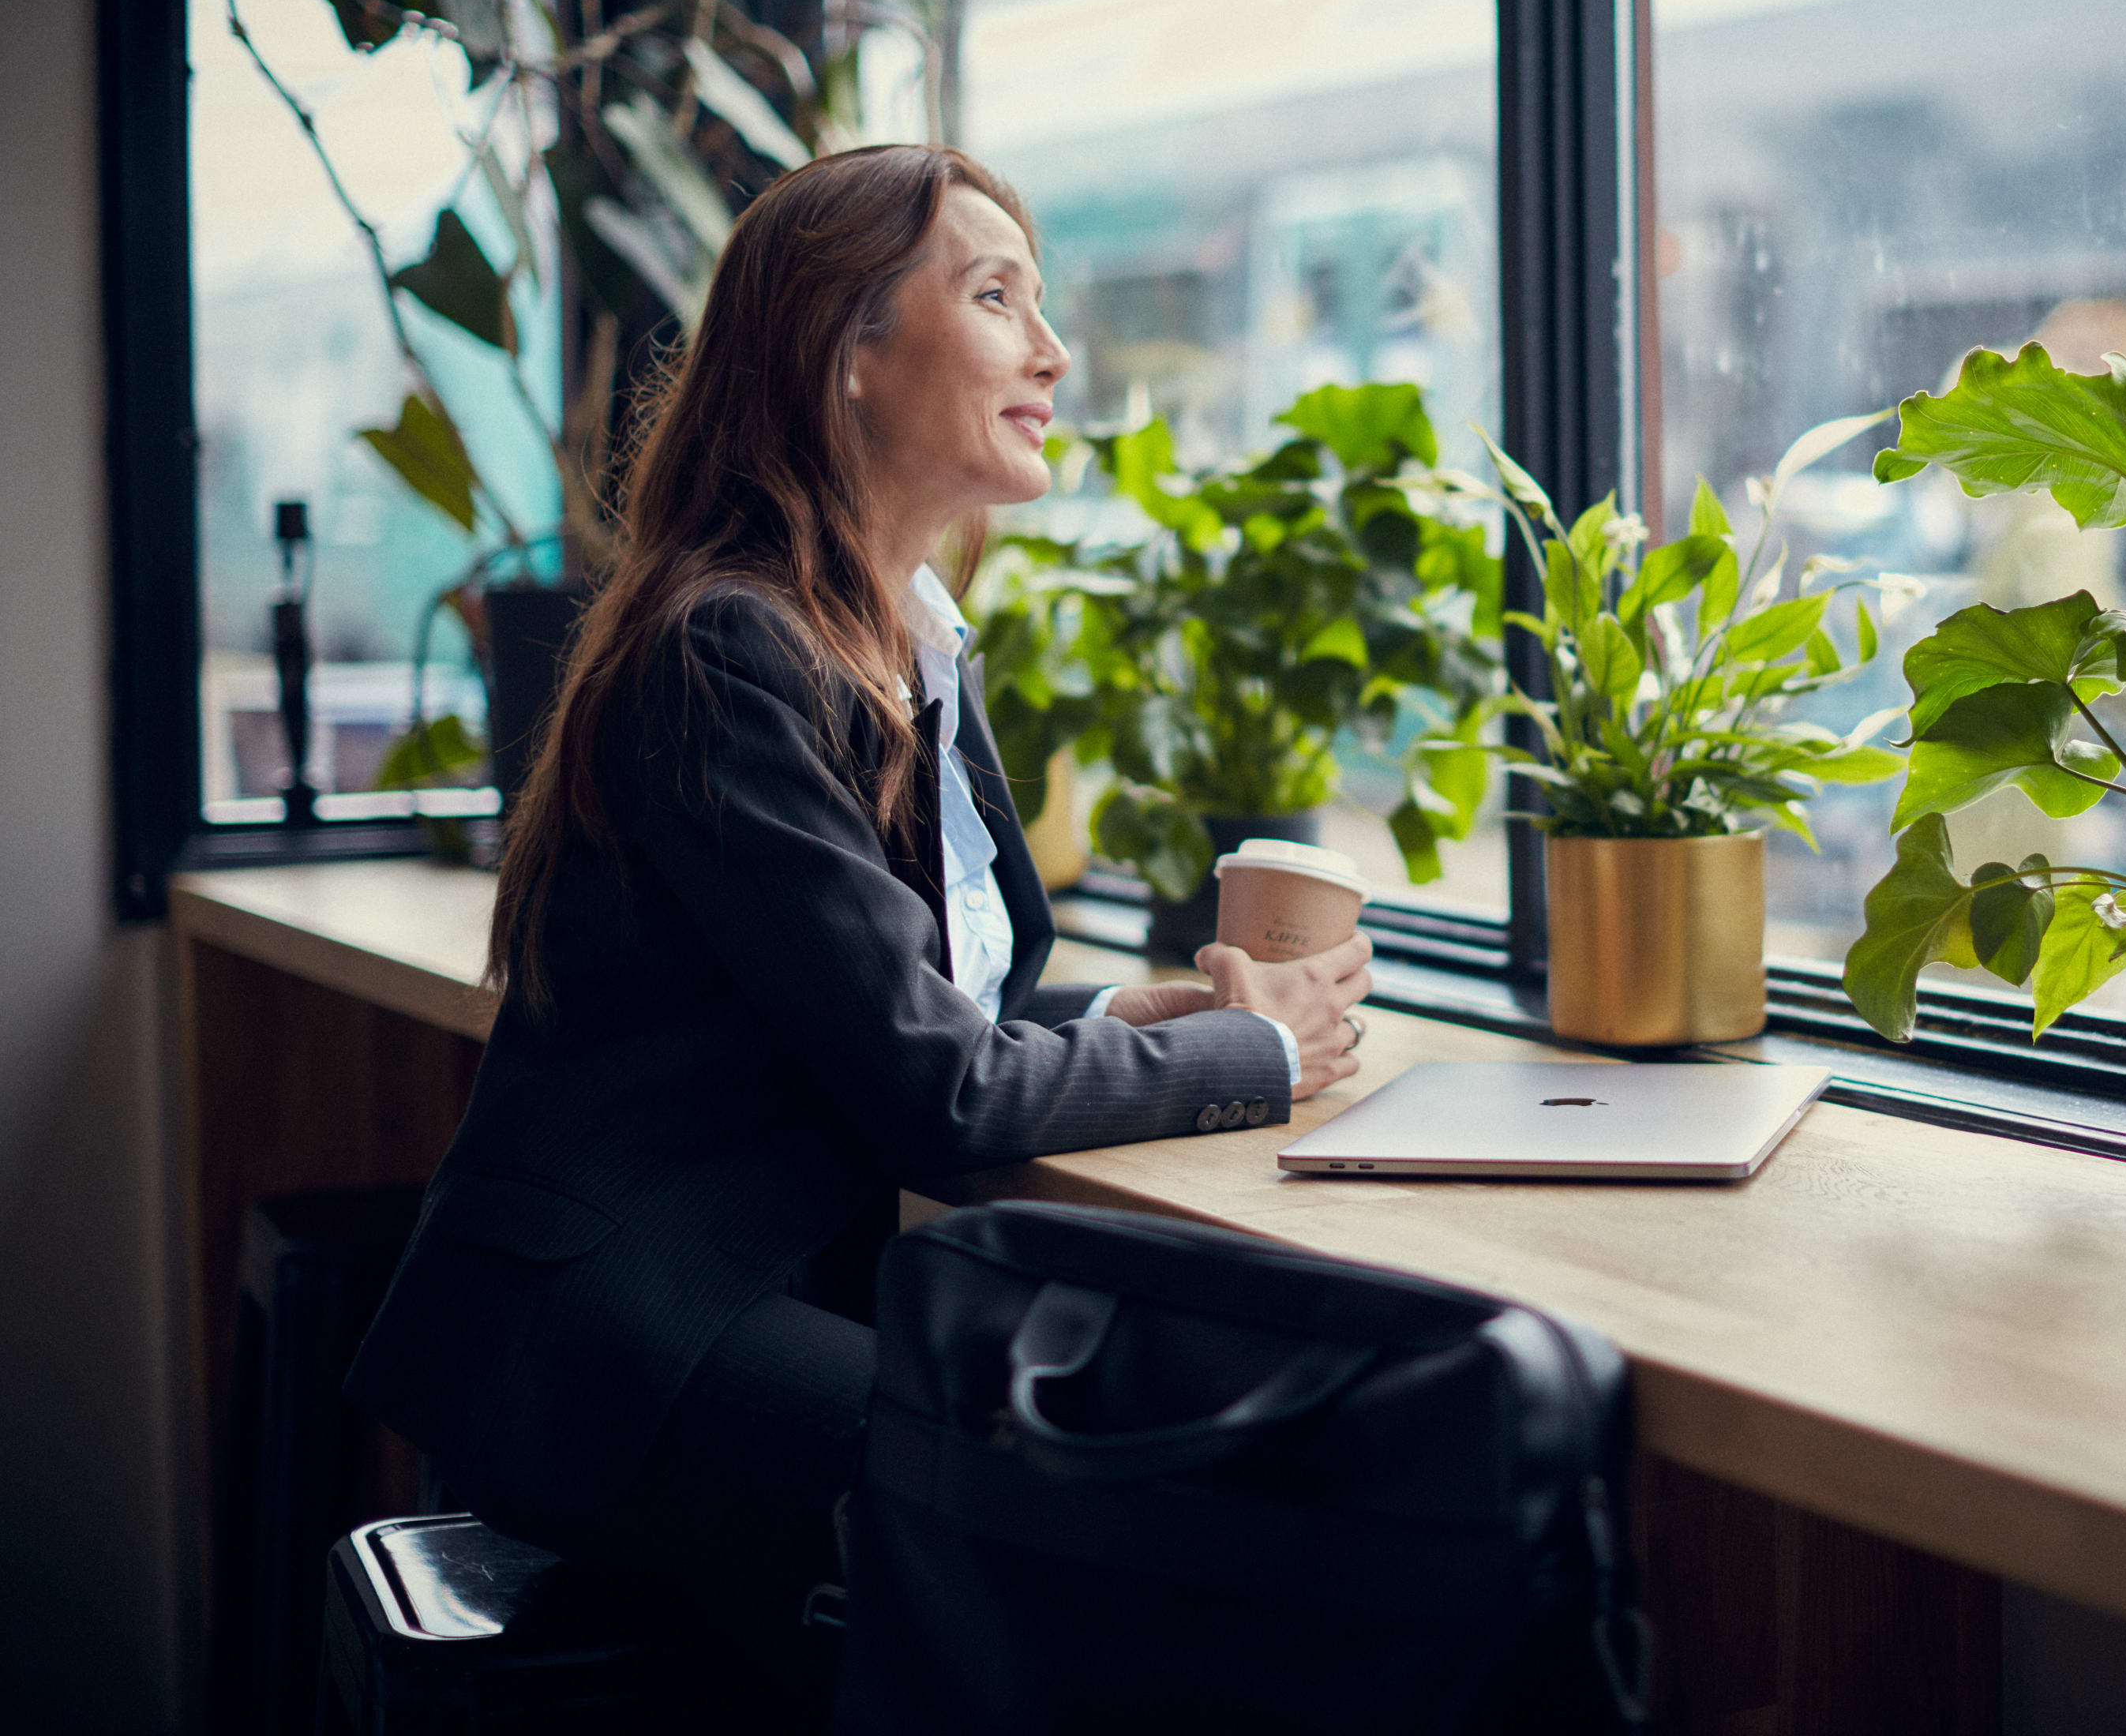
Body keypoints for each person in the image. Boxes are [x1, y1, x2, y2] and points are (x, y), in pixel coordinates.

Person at [344, 145, 1374, 1709]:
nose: (1053, 349)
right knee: (1099, 1521)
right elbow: (931, 1090)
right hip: (614, 1343)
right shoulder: (722, 650)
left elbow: (924, 1002)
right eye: (995, 294)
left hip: (747, 1293)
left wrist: (1125, 1024)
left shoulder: (899, 641)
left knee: (1180, 1468)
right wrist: (1253, 1050)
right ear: (847, 356)